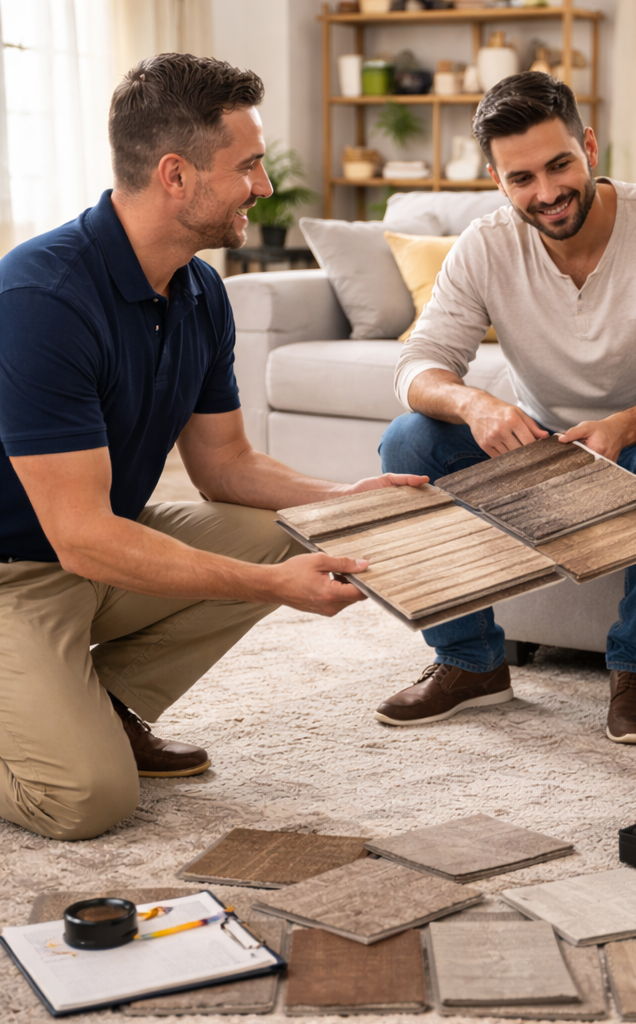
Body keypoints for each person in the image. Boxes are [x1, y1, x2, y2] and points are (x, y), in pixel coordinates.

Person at [0, 53, 425, 841]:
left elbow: (224, 467)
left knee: (278, 533)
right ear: (175, 175)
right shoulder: (40, 298)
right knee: (89, 800)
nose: (263, 187)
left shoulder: (200, 293)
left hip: (87, 555)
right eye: (249, 166)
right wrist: (274, 591)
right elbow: (81, 535)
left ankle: (95, 705)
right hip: (16, 576)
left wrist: (343, 501)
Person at [377, 72, 636, 742]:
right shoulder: (485, 245)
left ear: (590, 147)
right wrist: (475, 405)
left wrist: (624, 424)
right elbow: (414, 365)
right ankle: (469, 663)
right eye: (522, 179)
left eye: (559, 165)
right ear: (497, 180)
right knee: (409, 440)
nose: (546, 194)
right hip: (540, 453)